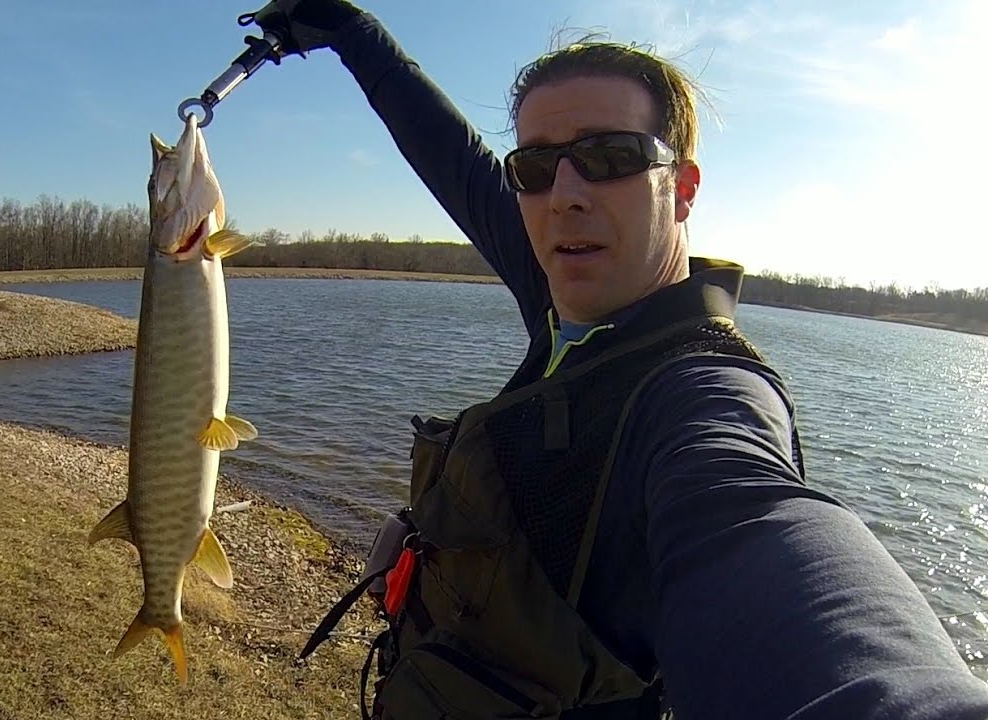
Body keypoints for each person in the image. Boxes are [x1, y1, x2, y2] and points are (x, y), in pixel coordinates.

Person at [241, 2, 988, 718]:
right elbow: (452, 157)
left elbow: (763, 545)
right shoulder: (564, 296)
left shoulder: (700, 394)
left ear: (683, 189)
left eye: (609, 157)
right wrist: (352, 32)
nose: (565, 193)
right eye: (534, 168)